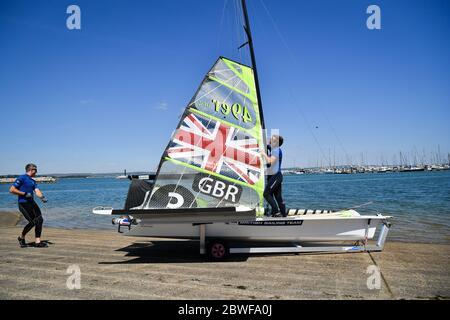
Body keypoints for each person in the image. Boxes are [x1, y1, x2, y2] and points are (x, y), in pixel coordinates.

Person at [9, 163, 48, 247]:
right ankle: (21, 237)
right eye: (36, 170)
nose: (36, 172)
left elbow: (37, 191)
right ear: (31, 170)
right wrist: (24, 193)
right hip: (23, 203)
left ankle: (38, 241)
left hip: (32, 202)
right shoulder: (22, 178)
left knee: (40, 220)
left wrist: (42, 197)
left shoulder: (33, 181)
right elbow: (12, 190)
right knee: (33, 221)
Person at [260, 135, 286, 217]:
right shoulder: (273, 149)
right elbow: (266, 145)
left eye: (273, 140)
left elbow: (270, 162)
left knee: (266, 194)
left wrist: (264, 154)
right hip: (273, 176)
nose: (270, 140)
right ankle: (283, 214)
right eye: (271, 139)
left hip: (275, 176)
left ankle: (276, 211)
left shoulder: (276, 151)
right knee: (278, 197)